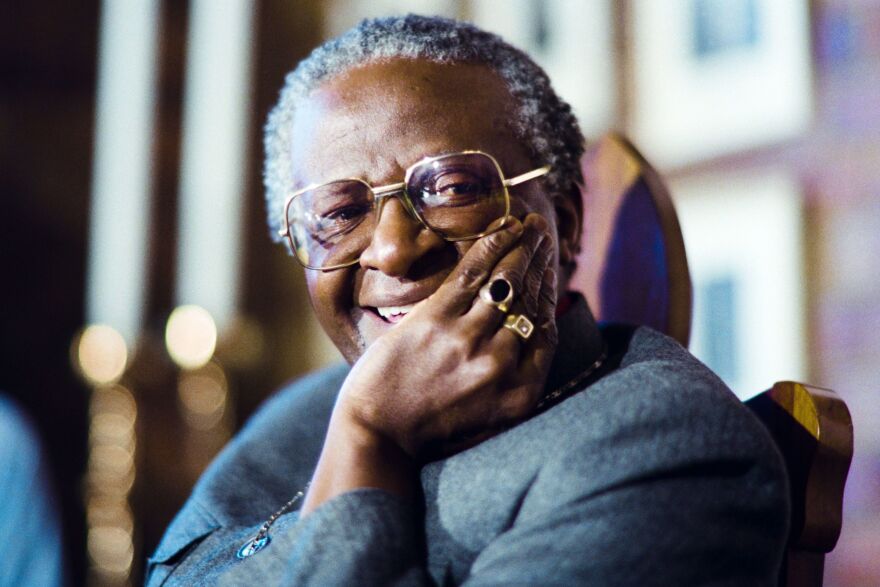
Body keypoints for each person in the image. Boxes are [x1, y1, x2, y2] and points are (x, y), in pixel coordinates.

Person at [146, 15, 789, 586]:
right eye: (341, 213)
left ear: (565, 223)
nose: (392, 250)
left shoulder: (663, 443)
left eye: (451, 188)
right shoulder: (308, 410)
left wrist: (368, 441)